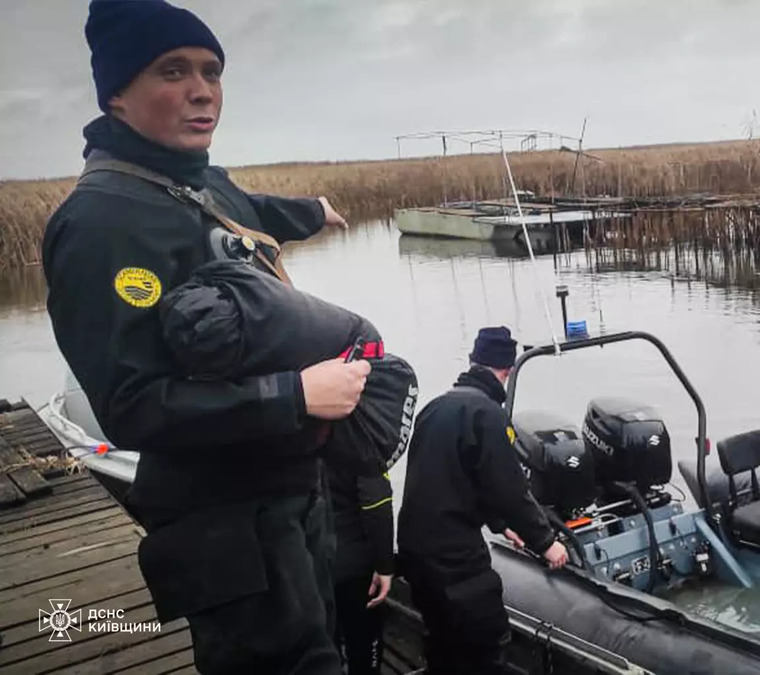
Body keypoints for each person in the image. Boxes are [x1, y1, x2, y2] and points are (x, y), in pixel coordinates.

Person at [42, 1, 364, 672]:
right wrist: (294, 396)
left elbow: (240, 211)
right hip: (226, 527)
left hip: (292, 497)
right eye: (172, 70)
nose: (202, 90)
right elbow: (129, 406)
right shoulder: (99, 224)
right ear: (117, 96)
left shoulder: (193, 179)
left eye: (212, 71)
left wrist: (312, 212)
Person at [396, 326, 569, 675]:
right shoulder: (488, 415)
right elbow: (510, 487)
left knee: (443, 641)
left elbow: (457, 478)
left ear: (473, 362)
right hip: (454, 558)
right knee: (486, 642)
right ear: (505, 372)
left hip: (415, 551)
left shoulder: (435, 408)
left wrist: (501, 525)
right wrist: (547, 542)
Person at [328, 464, 394, 675]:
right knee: (364, 646)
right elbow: (376, 502)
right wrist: (384, 565)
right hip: (354, 565)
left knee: (325, 645)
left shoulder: (300, 435)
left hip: (310, 559)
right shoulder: (360, 443)